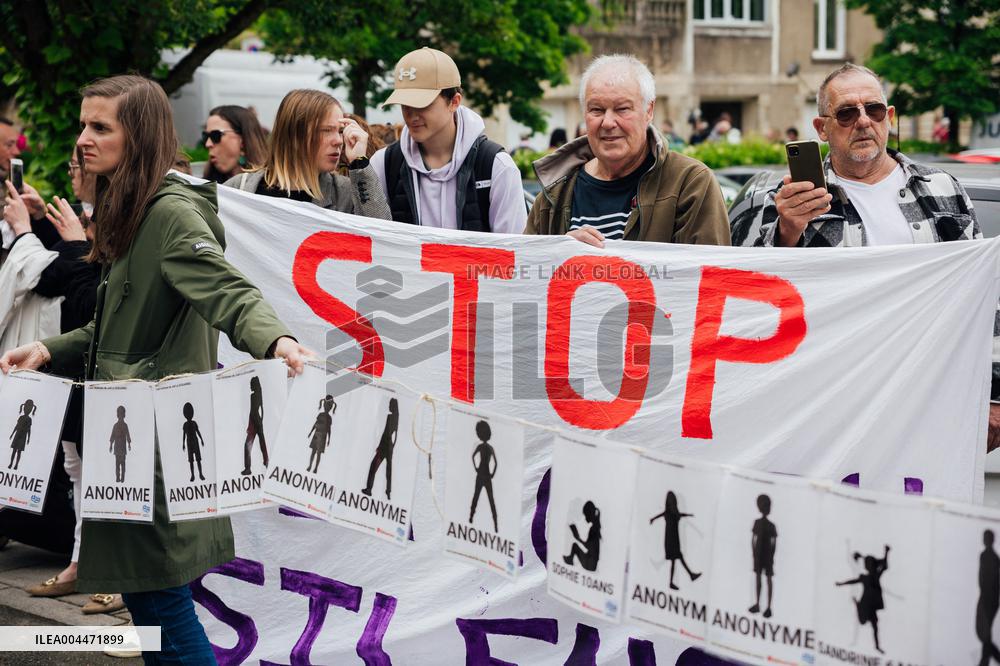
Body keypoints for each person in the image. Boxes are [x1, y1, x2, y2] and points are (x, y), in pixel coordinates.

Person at [0, 74, 310, 664]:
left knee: (162, 604)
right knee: (149, 605)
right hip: (130, 442)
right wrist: (48, 351)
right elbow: (112, 327)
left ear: (138, 136)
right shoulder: (130, 210)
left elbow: (230, 293)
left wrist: (278, 342)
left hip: (156, 448)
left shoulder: (168, 215)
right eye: (84, 124)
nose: (83, 140)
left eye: (101, 127)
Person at [728, 63, 1000, 452]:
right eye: (846, 113)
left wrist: (995, 394)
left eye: (873, 110)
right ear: (822, 129)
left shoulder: (942, 189)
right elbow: (745, 299)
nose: (862, 122)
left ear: (888, 118)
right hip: (828, 407)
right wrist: (787, 231)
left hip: (929, 397)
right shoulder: (786, 199)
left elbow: (986, 293)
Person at [525, 54, 730, 247]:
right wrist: (559, 251)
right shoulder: (553, 193)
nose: (607, 122)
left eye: (622, 109)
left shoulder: (690, 184)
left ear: (648, 111)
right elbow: (524, 274)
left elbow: (709, 278)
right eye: (596, 110)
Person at [371, 47, 527, 234]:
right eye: (405, 104)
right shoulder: (383, 164)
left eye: (422, 103)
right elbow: (372, 240)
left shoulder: (498, 167)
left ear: (454, 101)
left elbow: (513, 253)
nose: (411, 115)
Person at [225, 90, 390, 219]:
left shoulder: (345, 193)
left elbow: (381, 235)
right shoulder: (237, 190)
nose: (339, 141)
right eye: (326, 131)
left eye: (340, 131)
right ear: (294, 135)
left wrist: (360, 164)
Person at [836, 545, 890, 654]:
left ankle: (877, 646)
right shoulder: (866, 577)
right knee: (863, 621)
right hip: (866, 603)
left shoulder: (874, 576)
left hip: (871, 604)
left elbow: (884, 566)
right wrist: (841, 583)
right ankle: (857, 605)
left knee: (875, 625)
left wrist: (886, 553)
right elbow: (853, 581)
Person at [201, 105, 267, 184]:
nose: (208, 144)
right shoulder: (204, 186)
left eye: (215, 135)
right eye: (205, 136)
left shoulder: (271, 188)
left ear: (243, 140)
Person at [649, 491, 701, 590]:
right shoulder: (670, 512)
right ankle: (689, 575)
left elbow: (678, 515)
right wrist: (652, 519)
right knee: (678, 558)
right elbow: (659, 516)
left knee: (676, 560)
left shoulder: (671, 512)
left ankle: (679, 579)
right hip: (671, 540)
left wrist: (688, 515)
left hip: (672, 539)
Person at [362, 397, 399, 500]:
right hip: (390, 447)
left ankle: (369, 489)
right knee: (388, 471)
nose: (389, 406)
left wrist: (380, 447)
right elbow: (395, 435)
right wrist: (392, 447)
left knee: (373, 466)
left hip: (385, 447)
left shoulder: (390, 417)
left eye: (390, 405)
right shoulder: (397, 417)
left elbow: (386, 433)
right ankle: (388, 492)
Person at [749, 494, 776, 618]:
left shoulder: (771, 525)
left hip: (765, 555)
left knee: (767, 579)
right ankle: (758, 604)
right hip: (760, 555)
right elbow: (753, 540)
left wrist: (771, 556)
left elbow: (773, 543)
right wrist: (754, 554)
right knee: (760, 579)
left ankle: (768, 607)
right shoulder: (758, 523)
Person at [469, 420, 498, 532]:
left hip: (481, 473)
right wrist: (492, 474)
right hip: (486, 474)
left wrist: (476, 468)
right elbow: (495, 463)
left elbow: (473, 457)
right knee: (490, 500)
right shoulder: (490, 448)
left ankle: (471, 518)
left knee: (476, 496)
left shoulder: (482, 447)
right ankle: (495, 523)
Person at [978, 529, 1000, 666]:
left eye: (986, 537)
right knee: (984, 633)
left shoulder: (992, 558)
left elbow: (993, 582)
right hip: (987, 598)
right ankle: (984, 661)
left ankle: (985, 661)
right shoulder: (986, 556)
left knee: (984, 633)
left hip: (989, 599)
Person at [563, 500, 601, 572]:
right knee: (575, 545)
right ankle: (570, 559)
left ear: (589, 514)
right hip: (591, 560)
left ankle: (570, 560)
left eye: (585, 515)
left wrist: (578, 538)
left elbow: (589, 547)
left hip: (590, 564)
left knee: (575, 546)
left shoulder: (593, 529)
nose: (585, 518)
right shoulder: (595, 527)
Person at [241, 375, 267, 475]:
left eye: (251, 384)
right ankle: (265, 462)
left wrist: (256, 423)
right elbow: (260, 409)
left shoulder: (255, 396)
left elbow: (255, 410)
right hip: (256, 420)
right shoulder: (258, 394)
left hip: (255, 421)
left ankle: (249, 468)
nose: (250, 387)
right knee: (260, 443)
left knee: (249, 445)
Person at [307, 395, 336, 474]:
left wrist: (329, 439)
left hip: (323, 436)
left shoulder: (329, 418)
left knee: (318, 453)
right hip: (317, 434)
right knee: (313, 452)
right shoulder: (320, 415)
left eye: (328, 406)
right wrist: (310, 432)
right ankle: (310, 466)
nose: (327, 407)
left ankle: (316, 468)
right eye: (326, 405)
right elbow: (315, 424)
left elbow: (329, 429)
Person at [181, 402, 206, 483]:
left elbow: (198, 431)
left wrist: (201, 439)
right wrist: (183, 443)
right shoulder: (185, 424)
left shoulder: (194, 423)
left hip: (195, 442)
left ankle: (200, 474)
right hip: (189, 443)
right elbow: (184, 434)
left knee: (198, 459)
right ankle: (193, 475)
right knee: (191, 460)